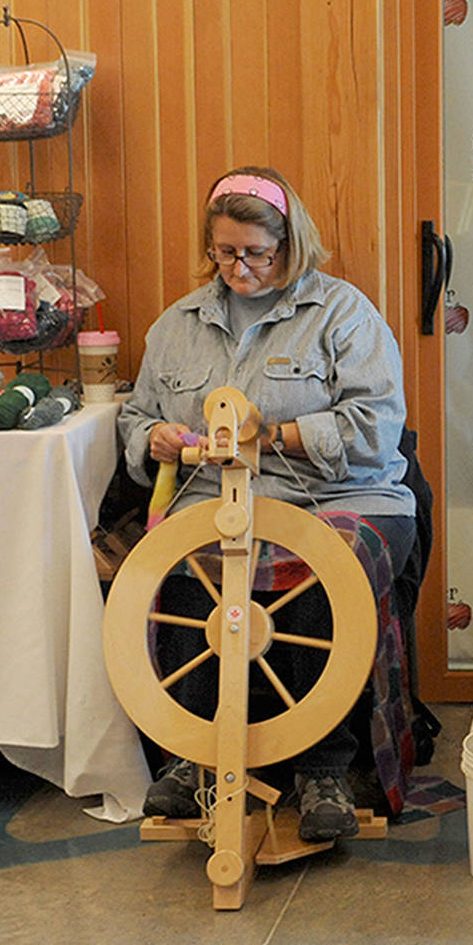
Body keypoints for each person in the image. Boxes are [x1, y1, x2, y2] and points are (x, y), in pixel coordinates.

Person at [116, 167, 413, 843]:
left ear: (290, 243)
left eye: (256, 252)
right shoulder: (176, 326)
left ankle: (322, 766)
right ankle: (193, 754)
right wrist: (152, 437)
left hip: (343, 496)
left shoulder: (341, 313)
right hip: (215, 499)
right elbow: (134, 417)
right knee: (181, 558)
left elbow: (377, 426)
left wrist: (275, 435)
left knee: (311, 558)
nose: (239, 267)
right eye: (225, 252)